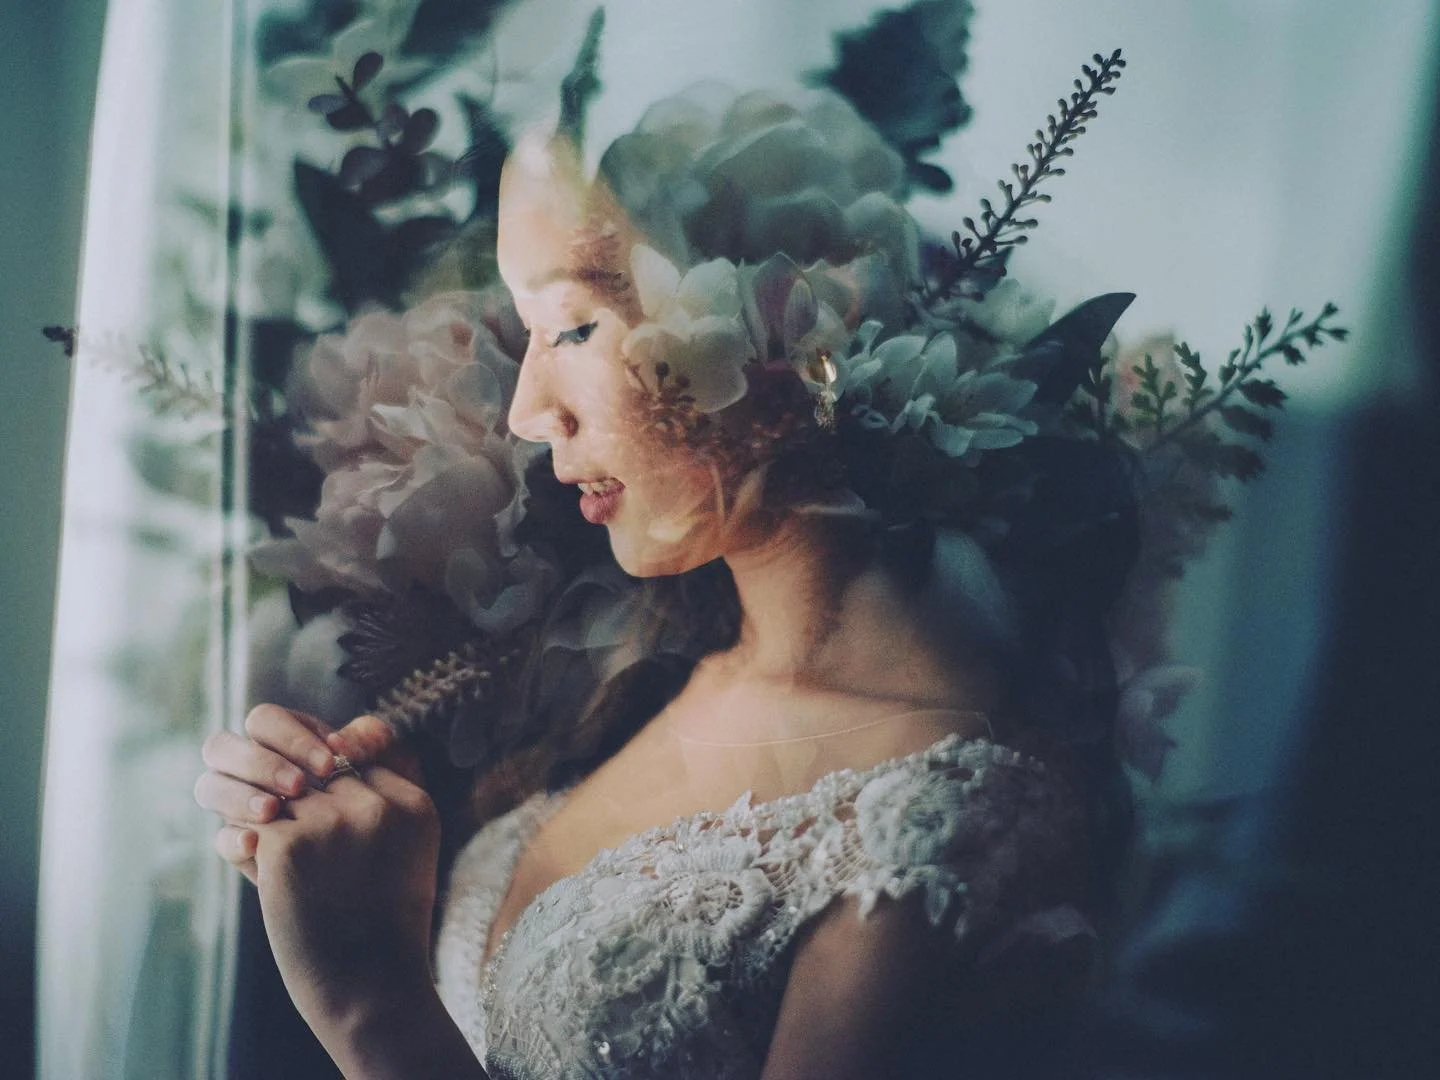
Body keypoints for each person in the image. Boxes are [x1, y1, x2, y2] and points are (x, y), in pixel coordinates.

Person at [196, 85, 1140, 1079]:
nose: (528, 411)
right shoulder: (634, 672)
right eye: (527, 337)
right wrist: (383, 898)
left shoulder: (939, 814)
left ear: (794, 334)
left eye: (573, 328)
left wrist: (374, 1011)